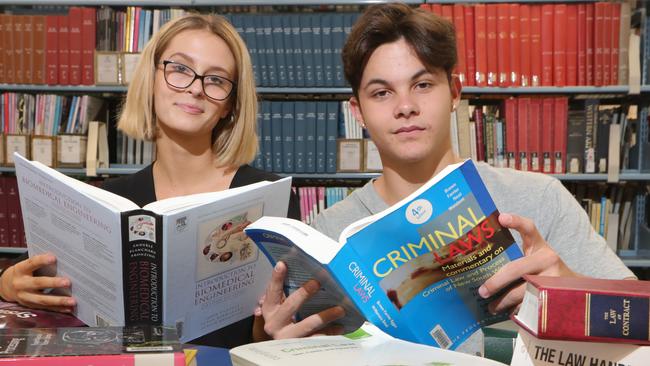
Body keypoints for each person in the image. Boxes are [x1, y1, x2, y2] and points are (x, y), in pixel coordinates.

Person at [258, 3, 635, 346]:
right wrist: (282, 344)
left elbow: (640, 325)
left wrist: (566, 286)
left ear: (454, 92)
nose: (405, 106)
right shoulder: (328, 233)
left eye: (422, 85)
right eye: (382, 93)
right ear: (358, 112)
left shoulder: (539, 199)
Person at [0, 13, 299, 348]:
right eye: (180, 69)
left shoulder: (269, 199)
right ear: (152, 78)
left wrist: (272, 328)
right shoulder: (109, 200)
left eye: (216, 80)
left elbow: (272, 332)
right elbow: (64, 313)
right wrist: (8, 285)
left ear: (229, 105)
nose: (196, 88)